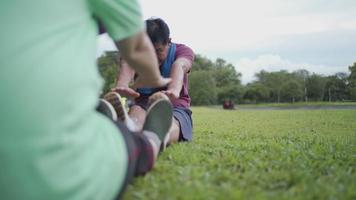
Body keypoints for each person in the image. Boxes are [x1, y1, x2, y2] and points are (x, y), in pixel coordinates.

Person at [0, 1, 172, 199]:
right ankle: (152, 139)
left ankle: (108, 120)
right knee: (133, 145)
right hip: (63, 179)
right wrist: (154, 78)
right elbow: (136, 48)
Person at [112, 18, 195, 147]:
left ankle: (159, 136)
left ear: (168, 42)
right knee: (137, 115)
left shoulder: (182, 51)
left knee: (172, 123)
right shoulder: (134, 52)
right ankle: (130, 127)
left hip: (176, 107)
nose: (153, 58)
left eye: (158, 51)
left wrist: (174, 89)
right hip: (142, 104)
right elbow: (128, 64)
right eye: (147, 51)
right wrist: (122, 85)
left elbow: (180, 65)